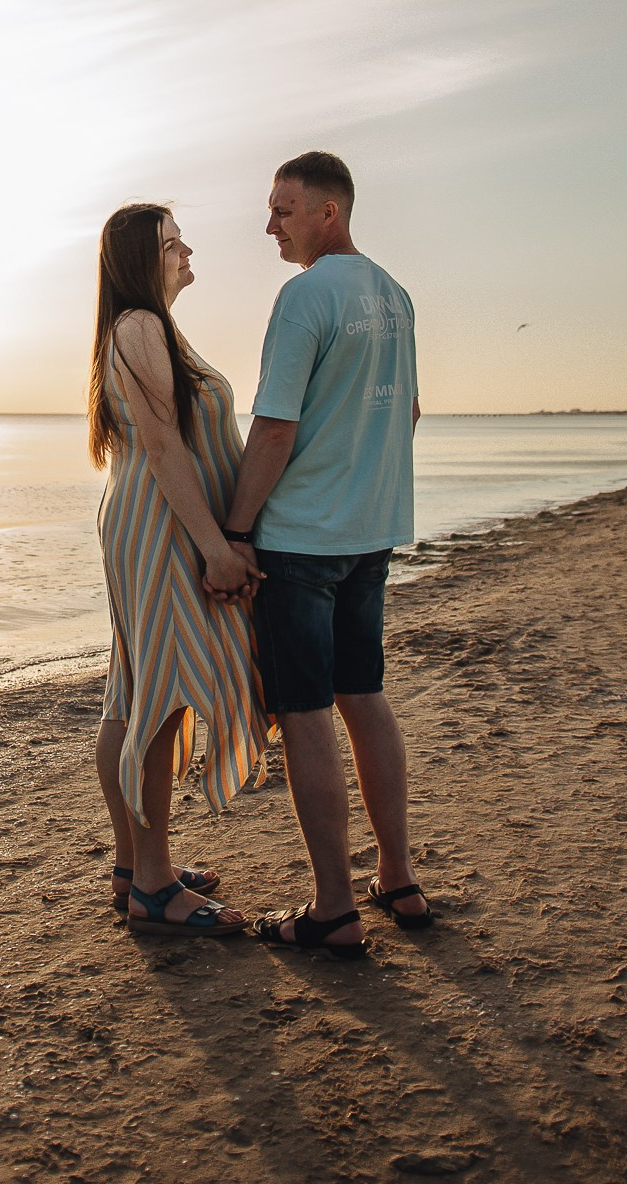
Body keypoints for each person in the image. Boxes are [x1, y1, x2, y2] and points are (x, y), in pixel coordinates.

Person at [220, 152, 429, 959]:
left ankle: (334, 906)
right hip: (367, 538)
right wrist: (364, 490)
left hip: (301, 541)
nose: (270, 225)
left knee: (306, 713)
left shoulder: (306, 295)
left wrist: (238, 531)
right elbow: (405, 411)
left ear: (327, 212)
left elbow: (275, 427)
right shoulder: (395, 295)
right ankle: (398, 878)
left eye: (283, 210)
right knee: (364, 696)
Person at [89, 202, 268, 938]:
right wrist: (218, 548)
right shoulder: (140, 326)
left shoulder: (143, 327)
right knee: (156, 692)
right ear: (141, 258)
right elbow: (166, 450)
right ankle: (155, 887)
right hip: (161, 524)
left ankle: (135, 866)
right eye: (171, 243)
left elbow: (164, 447)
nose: (187, 249)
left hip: (143, 518)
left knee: (132, 689)